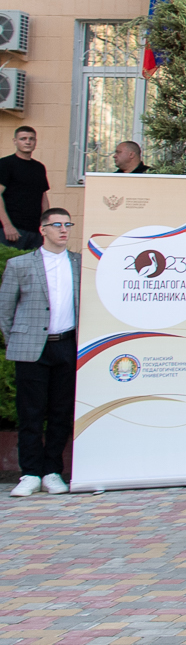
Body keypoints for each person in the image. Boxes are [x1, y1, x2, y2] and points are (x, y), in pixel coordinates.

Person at [1, 207, 81, 495]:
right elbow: (5, 310)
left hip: (67, 345)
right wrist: (17, 340)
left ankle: (52, 471)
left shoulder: (80, 264)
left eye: (67, 225)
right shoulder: (20, 265)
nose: (63, 230)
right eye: (56, 225)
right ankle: (30, 473)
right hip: (31, 347)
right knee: (31, 412)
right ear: (43, 229)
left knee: (61, 411)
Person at [0, 125, 52, 250]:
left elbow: (43, 198)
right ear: (15, 141)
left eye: (31, 139)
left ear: (35, 142)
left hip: (35, 232)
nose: (28, 142)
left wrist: (46, 227)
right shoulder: (5, 164)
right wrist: (7, 226)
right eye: (23, 139)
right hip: (11, 231)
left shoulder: (39, 167)